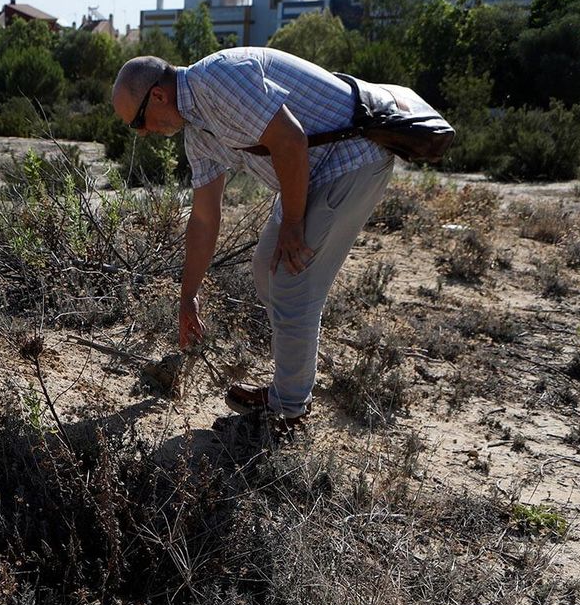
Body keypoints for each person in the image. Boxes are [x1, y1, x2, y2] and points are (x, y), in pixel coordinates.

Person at [111, 48, 394, 432]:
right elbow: (204, 217)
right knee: (266, 269)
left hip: (351, 159)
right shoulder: (198, 132)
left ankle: (287, 412)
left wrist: (294, 222)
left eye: (138, 123)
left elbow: (291, 140)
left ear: (158, 96)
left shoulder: (218, 79)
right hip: (311, 174)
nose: (143, 133)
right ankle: (287, 388)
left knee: (293, 281)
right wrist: (188, 296)